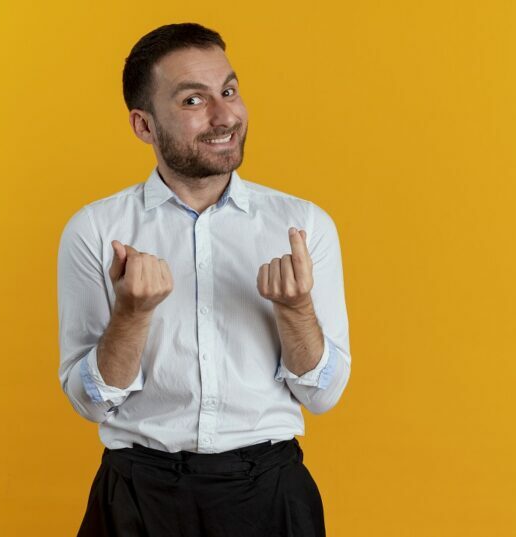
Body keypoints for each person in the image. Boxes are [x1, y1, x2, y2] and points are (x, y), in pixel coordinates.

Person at [57, 22, 351, 537]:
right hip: (138, 496)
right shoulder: (97, 231)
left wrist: (297, 309)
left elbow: (323, 394)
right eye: (194, 100)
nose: (225, 116)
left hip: (270, 494)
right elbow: (90, 402)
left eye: (229, 91)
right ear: (144, 125)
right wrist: (132, 314)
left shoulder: (302, 226)